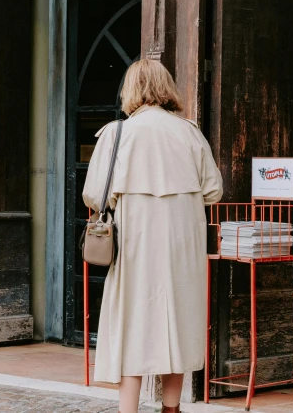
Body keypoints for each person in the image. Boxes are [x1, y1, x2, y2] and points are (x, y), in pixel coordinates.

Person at [82, 59, 223, 413]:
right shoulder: (189, 131)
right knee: (177, 322)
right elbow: (214, 190)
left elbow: (95, 195)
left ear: (131, 90)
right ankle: (171, 409)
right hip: (182, 245)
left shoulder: (118, 133)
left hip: (136, 244)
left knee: (134, 326)